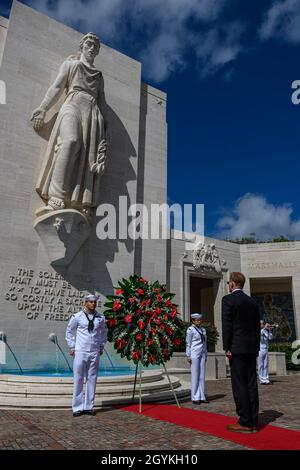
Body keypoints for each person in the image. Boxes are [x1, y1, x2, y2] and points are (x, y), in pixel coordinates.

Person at [31, 32, 108, 215]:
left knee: (85, 158)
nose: (91, 48)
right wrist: (43, 108)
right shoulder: (71, 64)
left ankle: (79, 201)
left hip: (92, 112)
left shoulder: (98, 76)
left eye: (95, 47)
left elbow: (102, 104)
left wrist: (106, 131)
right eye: (89, 44)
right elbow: (57, 87)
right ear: (81, 46)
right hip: (72, 103)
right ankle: (55, 195)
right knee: (71, 141)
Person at [222, 272, 260, 433]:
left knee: (239, 385)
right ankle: (253, 421)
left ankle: (244, 421)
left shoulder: (228, 300)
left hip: (237, 348)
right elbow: (257, 327)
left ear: (232, 284)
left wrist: (227, 347)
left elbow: (227, 325)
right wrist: (256, 347)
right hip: (251, 349)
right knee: (251, 384)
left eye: (228, 283)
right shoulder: (252, 302)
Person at [66, 294, 107, 416]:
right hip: (80, 351)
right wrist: (72, 346)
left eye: (94, 302)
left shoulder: (100, 317)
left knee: (92, 378)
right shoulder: (77, 316)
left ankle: (89, 406)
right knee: (78, 378)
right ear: (85, 302)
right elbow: (69, 331)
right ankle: (77, 407)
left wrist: (101, 345)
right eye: (90, 302)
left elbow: (104, 332)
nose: (93, 304)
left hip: (94, 351)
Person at [186, 313, 209, 405]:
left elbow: (205, 343)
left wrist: (206, 354)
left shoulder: (203, 330)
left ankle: (202, 396)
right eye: (197, 320)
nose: (199, 321)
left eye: (200, 320)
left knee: (202, 375)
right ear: (193, 321)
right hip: (194, 353)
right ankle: (195, 397)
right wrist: (188, 355)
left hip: (202, 353)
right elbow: (188, 343)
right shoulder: (190, 330)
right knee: (195, 375)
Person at [258, 320, 273, 385]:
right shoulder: (259, 331)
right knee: (261, 365)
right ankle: (261, 379)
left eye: (263, 324)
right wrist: (264, 328)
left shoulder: (265, 331)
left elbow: (270, 338)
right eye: (261, 324)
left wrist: (269, 330)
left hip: (266, 349)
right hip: (260, 350)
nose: (262, 325)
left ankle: (266, 379)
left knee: (266, 365)